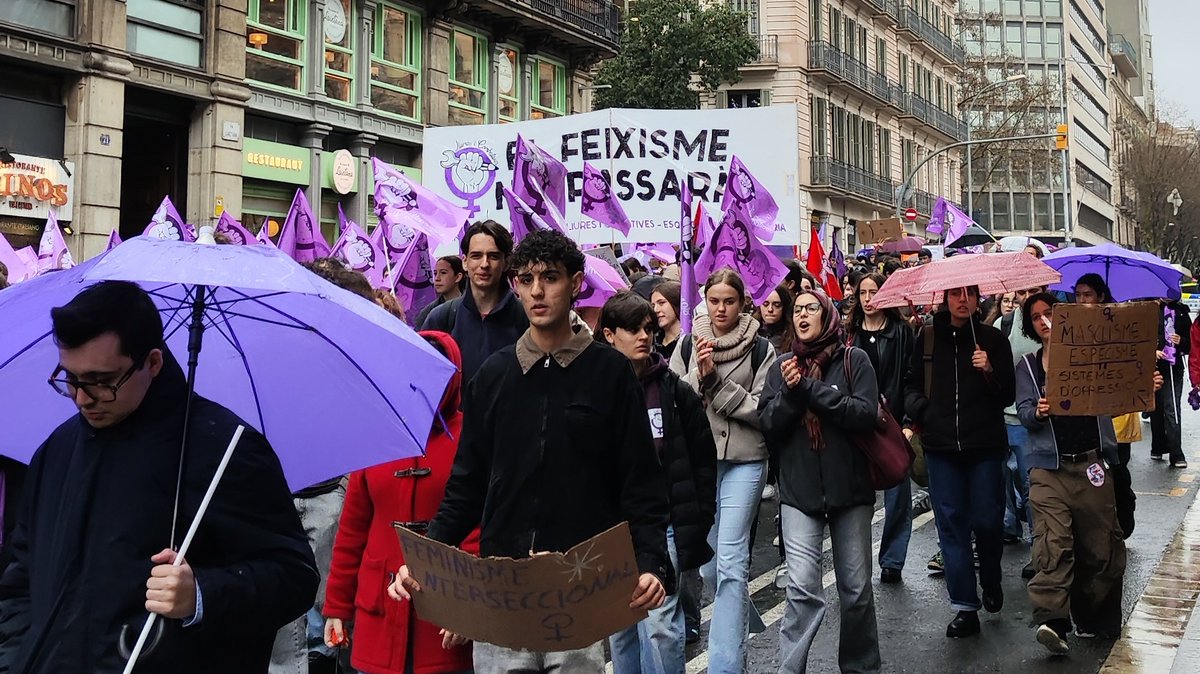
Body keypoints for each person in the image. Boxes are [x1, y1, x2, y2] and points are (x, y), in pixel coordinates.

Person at [0, 281, 317, 672]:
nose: (83, 398)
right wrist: (18, 659)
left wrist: (201, 594)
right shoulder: (58, 449)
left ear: (152, 362)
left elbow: (293, 576)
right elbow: (19, 578)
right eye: (71, 378)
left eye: (102, 381)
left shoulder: (226, 448)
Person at [392, 230, 672, 673]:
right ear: (516, 283)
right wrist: (428, 558)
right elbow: (468, 485)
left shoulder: (610, 373)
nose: (537, 291)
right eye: (526, 278)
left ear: (576, 282)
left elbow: (640, 481)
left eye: (550, 278)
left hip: (580, 589)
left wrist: (653, 561)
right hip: (503, 587)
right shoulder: (493, 375)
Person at [323, 331, 477, 674]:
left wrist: (467, 606)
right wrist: (337, 606)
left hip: (443, 615)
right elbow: (352, 530)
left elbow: (477, 527)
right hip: (378, 607)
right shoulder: (376, 435)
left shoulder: (470, 437)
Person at [1015, 292, 1151, 653]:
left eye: (1049, 314)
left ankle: (1094, 618)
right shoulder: (1027, 367)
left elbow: (1120, 395)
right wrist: (1038, 412)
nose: (1044, 322)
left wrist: (1144, 387)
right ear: (1030, 327)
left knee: (1099, 547)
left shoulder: (1092, 358)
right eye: (1036, 318)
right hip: (1048, 469)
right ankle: (1053, 621)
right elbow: (1025, 412)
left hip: (1092, 464)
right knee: (1052, 543)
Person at [760, 287, 881, 673]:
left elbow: (863, 414)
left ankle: (860, 667)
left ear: (827, 314)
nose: (802, 315)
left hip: (850, 492)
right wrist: (793, 396)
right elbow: (768, 425)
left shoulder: (853, 360)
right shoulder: (781, 367)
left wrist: (809, 389)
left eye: (812, 308)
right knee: (800, 588)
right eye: (797, 310)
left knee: (857, 590)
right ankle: (790, 669)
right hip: (798, 493)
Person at [597, 292, 717, 674]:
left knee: (661, 624)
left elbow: (702, 457)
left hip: (662, 525)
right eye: (633, 329)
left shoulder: (674, 390)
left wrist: (698, 517)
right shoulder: (593, 392)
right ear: (610, 334)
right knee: (621, 628)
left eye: (649, 328)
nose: (644, 336)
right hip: (611, 531)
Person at [669, 268, 775, 672]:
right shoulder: (686, 345)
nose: (721, 309)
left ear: (742, 303)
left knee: (732, 562)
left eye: (729, 301)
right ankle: (740, 629)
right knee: (710, 565)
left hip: (746, 461)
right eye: (714, 301)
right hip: (701, 463)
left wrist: (717, 386)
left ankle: (726, 665)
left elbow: (763, 409)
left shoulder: (761, 348)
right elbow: (675, 400)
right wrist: (702, 374)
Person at [904, 286, 1015, 638]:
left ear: (979, 298)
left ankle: (991, 579)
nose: (962, 300)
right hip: (941, 449)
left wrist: (989, 370)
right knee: (951, 525)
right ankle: (965, 606)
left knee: (986, 520)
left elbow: (1008, 394)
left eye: (969, 294)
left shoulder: (993, 339)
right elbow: (908, 388)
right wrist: (926, 412)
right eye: (955, 294)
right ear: (945, 298)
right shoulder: (926, 337)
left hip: (984, 445)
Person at [846, 272, 914, 584]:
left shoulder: (901, 332)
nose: (869, 298)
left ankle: (892, 559)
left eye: (874, 292)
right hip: (857, 421)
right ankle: (856, 559)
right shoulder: (849, 334)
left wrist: (909, 421)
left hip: (893, 420)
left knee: (897, 493)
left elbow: (910, 377)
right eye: (863, 293)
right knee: (858, 495)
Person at [422, 220, 529, 383]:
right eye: (476, 256)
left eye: (493, 256)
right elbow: (423, 378)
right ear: (465, 262)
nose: (484, 264)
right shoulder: (440, 318)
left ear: (506, 262)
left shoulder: (527, 318)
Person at [1072, 274, 1139, 536]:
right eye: (1077, 295)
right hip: (1083, 420)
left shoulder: (1119, 327)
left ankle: (1119, 521)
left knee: (1115, 471)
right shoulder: (1069, 329)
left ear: (1100, 296)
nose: (1081, 300)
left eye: (1087, 295)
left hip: (1116, 420)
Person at [992, 285, 1046, 581]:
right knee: (1002, 482)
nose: (1024, 296)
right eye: (1021, 291)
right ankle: (1008, 527)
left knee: (1031, 488)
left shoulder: (1049, 325)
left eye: (1032, 291)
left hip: (1032, 422)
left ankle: (1039, 549)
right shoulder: (1004, 324)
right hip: (1002, 417)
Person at [1152, 298, 1191, 468]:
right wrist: (1152, 350)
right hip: (1152, 367)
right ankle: (1158, 446)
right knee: (1155, 407)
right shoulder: (1149, 309)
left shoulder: (1182, 312)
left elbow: (1191, 345)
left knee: (1172, 407)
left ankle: (1176, 453)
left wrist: (1181, 341)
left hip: (1173, 368)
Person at [415, 256, 466, 327]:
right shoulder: (428, 312)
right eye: (435, 273)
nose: (437, 278)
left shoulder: (472, 306)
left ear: (458, 277)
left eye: (443, 273)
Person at [757, 285, 796, 355]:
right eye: (765, 304)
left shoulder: (794, 336)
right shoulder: (751, 331)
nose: (770, 309)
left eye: (777, 305)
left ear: (785, 307)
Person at [651, 281, 683, 359]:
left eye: (661, 303)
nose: (656, 310)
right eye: (653, 305)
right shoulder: (652, 342)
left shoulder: (691, 340)